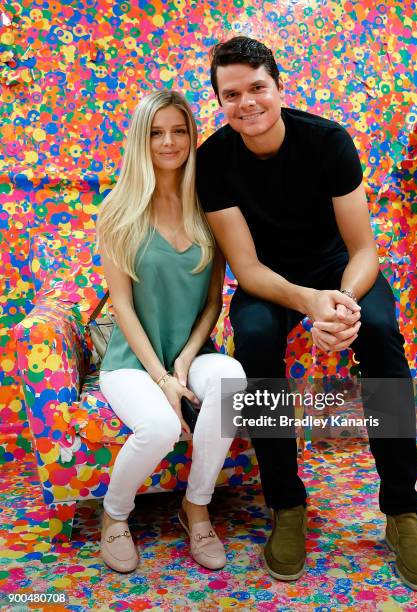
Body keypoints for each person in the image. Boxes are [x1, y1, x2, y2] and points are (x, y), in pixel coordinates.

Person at [196, 36, 417, 590]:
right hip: (272, 281)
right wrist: (309, 305)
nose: (247, 103)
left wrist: (342, 306)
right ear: (219, 101)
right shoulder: (213, 160)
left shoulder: (328, 140)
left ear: (279, 88)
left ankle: (403, 511)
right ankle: (286, 506)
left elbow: (364, 251)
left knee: (378, 331)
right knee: (254, 338)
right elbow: (248, 269)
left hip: (340, 272)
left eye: (257, 87)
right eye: (231, 95)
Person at [96, 90, 246, 573]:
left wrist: (184, 361)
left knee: (231, 382)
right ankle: (114, 515)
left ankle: (196, 507)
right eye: (157, 132)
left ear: (191, 137)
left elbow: (212, 302)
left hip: (192, 352)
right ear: (142, 139)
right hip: (131, 362)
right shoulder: (118, 210)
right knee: (159, 427)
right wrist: (163, 378)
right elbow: (122, 307)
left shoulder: (210, 207)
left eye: (179, 131)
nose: (169, 142)